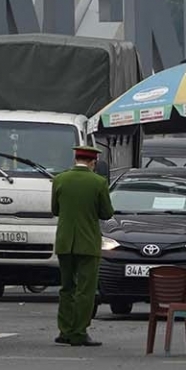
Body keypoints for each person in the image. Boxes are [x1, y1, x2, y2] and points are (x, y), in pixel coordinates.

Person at [51, 143, 114, 348]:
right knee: (85, 290)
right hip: (87, 243)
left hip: (64, 241)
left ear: (75, 159)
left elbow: (55, 209)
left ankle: (65, 330)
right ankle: (79, 332)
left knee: (67, 287)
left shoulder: (60, 179)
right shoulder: (98, 182)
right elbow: (106, 213)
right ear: (93, 162)